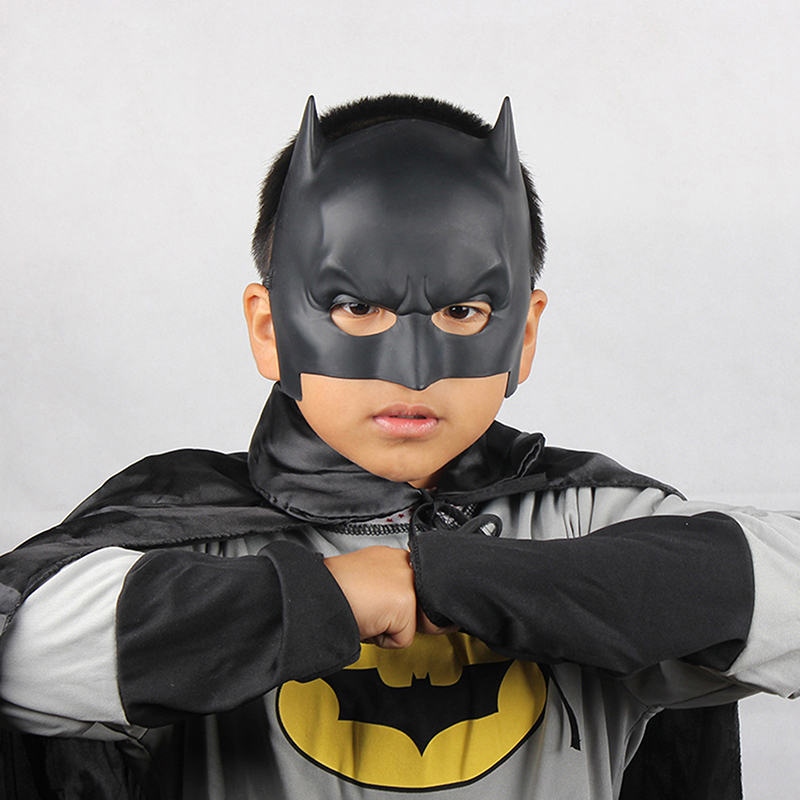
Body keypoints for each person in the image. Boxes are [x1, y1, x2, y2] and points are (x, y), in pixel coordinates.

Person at [0, 93, 797, 800]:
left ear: (523, 336)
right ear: (270, 329)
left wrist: (469, 579)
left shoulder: (586, 520)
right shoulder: (189, 537)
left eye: (463, 311)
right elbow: (22, 656)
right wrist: (325, 599)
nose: (414, 372)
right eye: (354, 307)